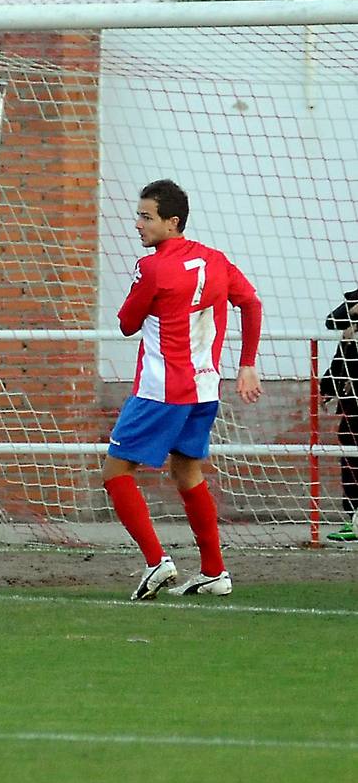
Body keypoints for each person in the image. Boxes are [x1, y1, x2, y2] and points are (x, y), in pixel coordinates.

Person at [102, 180, 262, 600]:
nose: (138, 224)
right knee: (187, 471)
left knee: (115, 472)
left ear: (172, 223)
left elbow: (126, 324)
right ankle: (214, 572)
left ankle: (157, 562)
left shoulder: (152, 267)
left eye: (146, 217)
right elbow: (251, 303)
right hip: (204, 388)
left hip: (161, 389)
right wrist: (247, 365)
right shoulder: (216, 260)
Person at [320, 287, 358, 541]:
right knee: (349, 448)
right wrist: (328, 387)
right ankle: (353, 517)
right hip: (352, 401)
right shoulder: (353, 303)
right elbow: (332, 321)